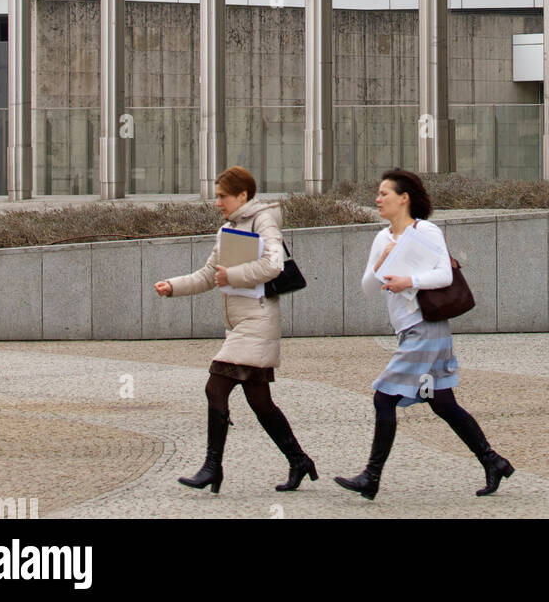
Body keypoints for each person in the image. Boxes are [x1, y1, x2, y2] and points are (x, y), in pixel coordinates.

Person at [334, 168, 514, 501]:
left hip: (426, 329)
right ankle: (493, 461)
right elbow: (368, 289)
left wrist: (409, 281)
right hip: (408, 330)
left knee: (383, 396)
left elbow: (444, 274)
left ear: (404, 198)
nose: (377, 198)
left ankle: (371, 478)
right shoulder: (382, 238)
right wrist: (383, 261)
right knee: (441, 401)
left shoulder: (426, 230)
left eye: (384, 193)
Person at [153, 165, 316, 495]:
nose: (217, 203)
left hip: (257, 321)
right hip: (240, 324)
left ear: (243, 195)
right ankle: (299, 460)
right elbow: (208, 275)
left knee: (216, 387)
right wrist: (173, 286)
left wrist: (235, 276)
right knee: (261, 402)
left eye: (222, 196)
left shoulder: (263, 219)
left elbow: (272, 265)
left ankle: (212, 467)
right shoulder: (228, 227)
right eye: (216, 197)